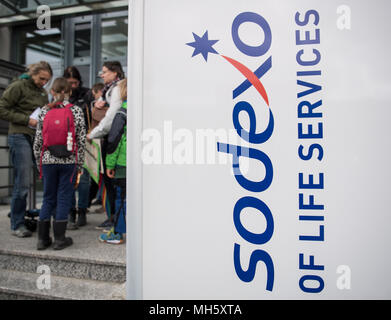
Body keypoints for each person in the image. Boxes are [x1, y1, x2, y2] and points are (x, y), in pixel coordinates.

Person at [0, 61, 52, 238]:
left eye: (47, 80)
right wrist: (26, 120)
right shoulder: (18, 86)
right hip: (19, 134)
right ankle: (17, 223)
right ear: (33, 73)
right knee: (22, 181)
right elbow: (2, 109)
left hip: (36, 137)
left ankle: (30, 215)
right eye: (41, 78)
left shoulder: (42, 92)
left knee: (38, 177)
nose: (44, 82)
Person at [33, 77, 86, 250]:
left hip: (48, 161)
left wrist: (39, 162)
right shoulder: (76, 111)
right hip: (68, 160)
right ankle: (60, 239)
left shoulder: (43, 111)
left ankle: (42, 240)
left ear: (52, 92)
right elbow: (81, 140)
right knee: (63, 197)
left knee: (48, 198)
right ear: (69, 93)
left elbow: (38, 141)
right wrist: (79, 164)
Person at [87, 61, 125, 230]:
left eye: (105, 72)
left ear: (115, 73)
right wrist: (99, 102)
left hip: (112, 138)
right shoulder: (111, 88)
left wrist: (92, 134)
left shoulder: (116, 89)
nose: (102, 75)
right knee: (112, 182)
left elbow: (111, 118)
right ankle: (114, 217)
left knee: (111, 181)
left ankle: (114, 218)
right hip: (110, 136)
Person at [63, 66, 93, 229]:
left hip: (84, 139)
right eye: (69, 83)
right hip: (66, 140)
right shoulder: (61, 96)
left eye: (75, 83)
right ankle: (70, 211)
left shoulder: (86, 94)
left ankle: (82, 210)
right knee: (69, 177)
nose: (72, 86)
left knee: (84, 179)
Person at [99, 79, 127, 244]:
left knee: (121, 199)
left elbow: (115, 140)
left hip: (124, 164)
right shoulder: (147, 111)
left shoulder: (123, 112)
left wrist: (110, 164)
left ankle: (117, 233)